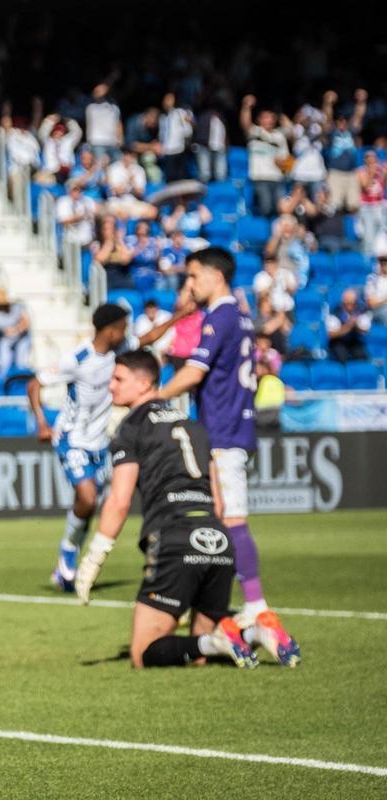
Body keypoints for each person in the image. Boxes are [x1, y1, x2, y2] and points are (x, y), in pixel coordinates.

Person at [157, 247, 300, 666]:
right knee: (221, 517)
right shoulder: (237, 317)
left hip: (223, 433)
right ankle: (224, 609)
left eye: (194, 276)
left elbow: (196, 373)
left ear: (216, 276)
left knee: (231, 519)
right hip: (233, 429)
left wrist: (154, 397)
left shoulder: (218, 317)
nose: (190, 284)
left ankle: (256, 605)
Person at [73, 350, 261, 669]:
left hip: (175, 539)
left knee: (143, 652)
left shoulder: (132, 427)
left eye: (119, 379)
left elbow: (118, 501)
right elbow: (218, 501)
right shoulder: (195, 427)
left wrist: (94, 558)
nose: (111, 386)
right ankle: (253, 633)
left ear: (145, 383)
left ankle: (222, 638)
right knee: (199, 655)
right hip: (217, 538)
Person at [27, 304, 180, 591]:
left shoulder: (119, 354)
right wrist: (41, 423)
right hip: (72, 438)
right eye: (122, 327)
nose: (126, 332)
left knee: (91, 504)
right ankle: (68, 557)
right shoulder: (79, 358)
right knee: (86, 498)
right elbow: (34, 384)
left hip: (100, 444)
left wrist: (181, 315)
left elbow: (150, 337)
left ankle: (65, 565)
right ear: (110, 330)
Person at [240, 96, 290, 217]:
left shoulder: (280, 136)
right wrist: (246, 107)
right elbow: (245, 124)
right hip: (260, 177)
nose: (268, 120)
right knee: (266, 207)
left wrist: (282, 164)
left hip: (278, 178)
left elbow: (287, 161)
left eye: (271, 118)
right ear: (259, 119)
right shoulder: (255, 132)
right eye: (265, 117)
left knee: (281, 209)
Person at [326, 288, 371, 363]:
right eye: (347, 303)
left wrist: (355, 324)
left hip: (354, 340)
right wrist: (348, 326)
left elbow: (364, 330)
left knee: (362, 356)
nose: (350, 306)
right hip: (338, 342)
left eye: (353, 303)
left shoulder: (361, 311)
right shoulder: (334, 312)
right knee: (342, 357)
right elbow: (332, 334)